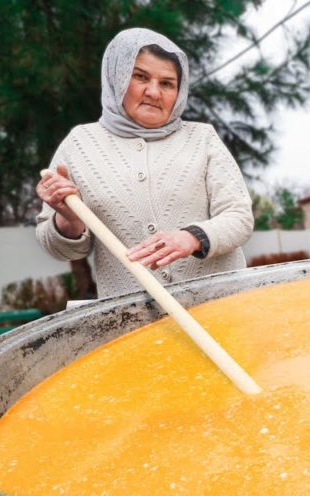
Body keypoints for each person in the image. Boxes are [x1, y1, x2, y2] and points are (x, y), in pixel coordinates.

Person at [35, 28, 253, 299]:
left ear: (179, 91)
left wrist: (193, 237)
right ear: (117, 77)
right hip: (131, 319)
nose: (153, 92)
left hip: (221, 303)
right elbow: (61, 249)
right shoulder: (79, 144)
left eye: (167, 83)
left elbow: (240, 217)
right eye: (140, 77)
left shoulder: (202, 138)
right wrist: (69, 219)